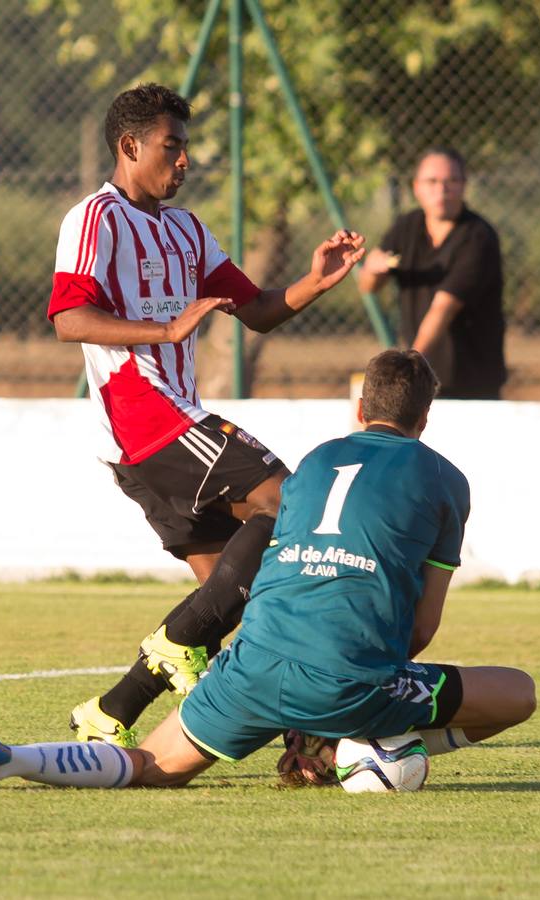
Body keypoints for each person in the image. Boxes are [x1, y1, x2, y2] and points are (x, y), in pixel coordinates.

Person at [0, 350, 537, 792]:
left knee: (149, 763)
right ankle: (351, 748)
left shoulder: (312, 464)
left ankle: (13, 759)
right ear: (426, 417)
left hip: (253, 660)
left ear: (360, 408)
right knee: (516, 694)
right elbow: (421, 628)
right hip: (350, 679)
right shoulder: (446, 480)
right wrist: (360, 717)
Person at [47, 83, 365, 746]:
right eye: (173, 146)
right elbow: (69, 318)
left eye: (187, 146)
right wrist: (162, 334)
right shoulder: (96, 219)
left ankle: (115, 712)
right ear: (129, 146)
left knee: (252, 596)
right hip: (150, 420)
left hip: (167, 432)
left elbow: (258, 311)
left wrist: (315, 280)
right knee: (290, 499)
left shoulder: (187, 230)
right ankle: (175, 645)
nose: (186, 160)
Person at [357, 147, 506, 399]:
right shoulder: (407, 226)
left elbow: (443, 308)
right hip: (422, 380)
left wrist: (409, 369)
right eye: (432, 181)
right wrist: (372, 269)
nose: (441, 190)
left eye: (451, 181)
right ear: (416, 187)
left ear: (463, 185)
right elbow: (368, 286)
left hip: (471, 381)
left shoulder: (479, 236)